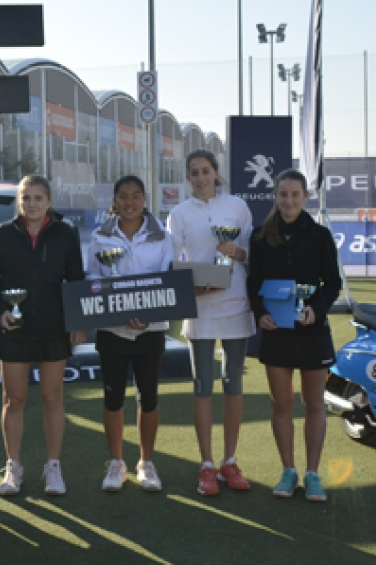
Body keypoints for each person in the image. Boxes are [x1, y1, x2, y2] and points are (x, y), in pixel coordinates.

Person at [0, 175, 86, 496]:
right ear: (19, 200)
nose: (31, 204)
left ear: (49, 202)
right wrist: (1, 309)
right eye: (26, 198)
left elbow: (76, 279)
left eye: (38, 198)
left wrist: (78, 322)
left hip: (53, 327)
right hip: (14, 328)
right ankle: (14, 466)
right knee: (14, 400)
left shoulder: (65, 234)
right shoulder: (1, 234)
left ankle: (52, 467)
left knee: (52, 398)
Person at [246, 169, 341, 502]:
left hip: (312, 332)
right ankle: (288, 472)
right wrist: (261, 314)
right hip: (277, 334)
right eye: (283, 194)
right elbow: (253, 285)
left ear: (304, 197)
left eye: (295, 195)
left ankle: (313, 474)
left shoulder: (319, 236)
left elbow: (333, 283)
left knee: (314, 404)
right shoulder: (260, 237)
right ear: (276, 196)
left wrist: (316, 308)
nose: (288, 201)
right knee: (281, 404)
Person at [167, 150, 255, 496]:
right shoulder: (179, 214)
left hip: (236, 305)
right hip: (200, 307)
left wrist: (236, 252)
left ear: (216, 173)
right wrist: (193, 286)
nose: (201, 178)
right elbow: (174, 261)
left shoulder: (237, 207)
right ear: (188, 177)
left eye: (206, 171)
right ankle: (206, 465)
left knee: (233, 384)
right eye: (194, 173)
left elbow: (250, 252)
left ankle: (229, 461)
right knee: (202, 386)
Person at [87, 175, 175, 493]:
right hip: (112, 331)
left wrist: (148, 317)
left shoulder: (163, 237)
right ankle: (116, 463)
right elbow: (93, 282)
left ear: (145, 200)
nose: (130, 202)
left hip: (150, 331)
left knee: (148, 397)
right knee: (113, 398)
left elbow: (168, 282)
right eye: (123, 196)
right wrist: (117, 313)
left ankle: (146, 462)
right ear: (114, 200)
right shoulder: (99, 237)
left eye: (136, 195)